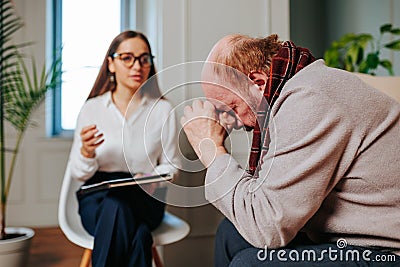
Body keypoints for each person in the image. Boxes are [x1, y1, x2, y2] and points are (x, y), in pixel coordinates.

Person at [181, 33, 400, 266]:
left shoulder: (311, 101)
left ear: (257, 83)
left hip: (386, 249)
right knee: (231, 234)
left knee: (249, 263)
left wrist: (211, 150)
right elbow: (263, 201)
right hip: (347, 234)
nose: (228, 121)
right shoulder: (296, 90)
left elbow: (268, 228)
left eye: (229, 107)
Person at [68, 30, 179, 267]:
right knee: (138, 234)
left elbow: (173, 166)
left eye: (144, 58)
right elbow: (79, 174)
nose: (137, 65)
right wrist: (86, 153)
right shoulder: (92, 109)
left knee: (120, 204)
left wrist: (149, 177)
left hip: (145, 195)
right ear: (111, 63)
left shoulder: (162, 110)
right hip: (98, 196)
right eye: (127, 58)